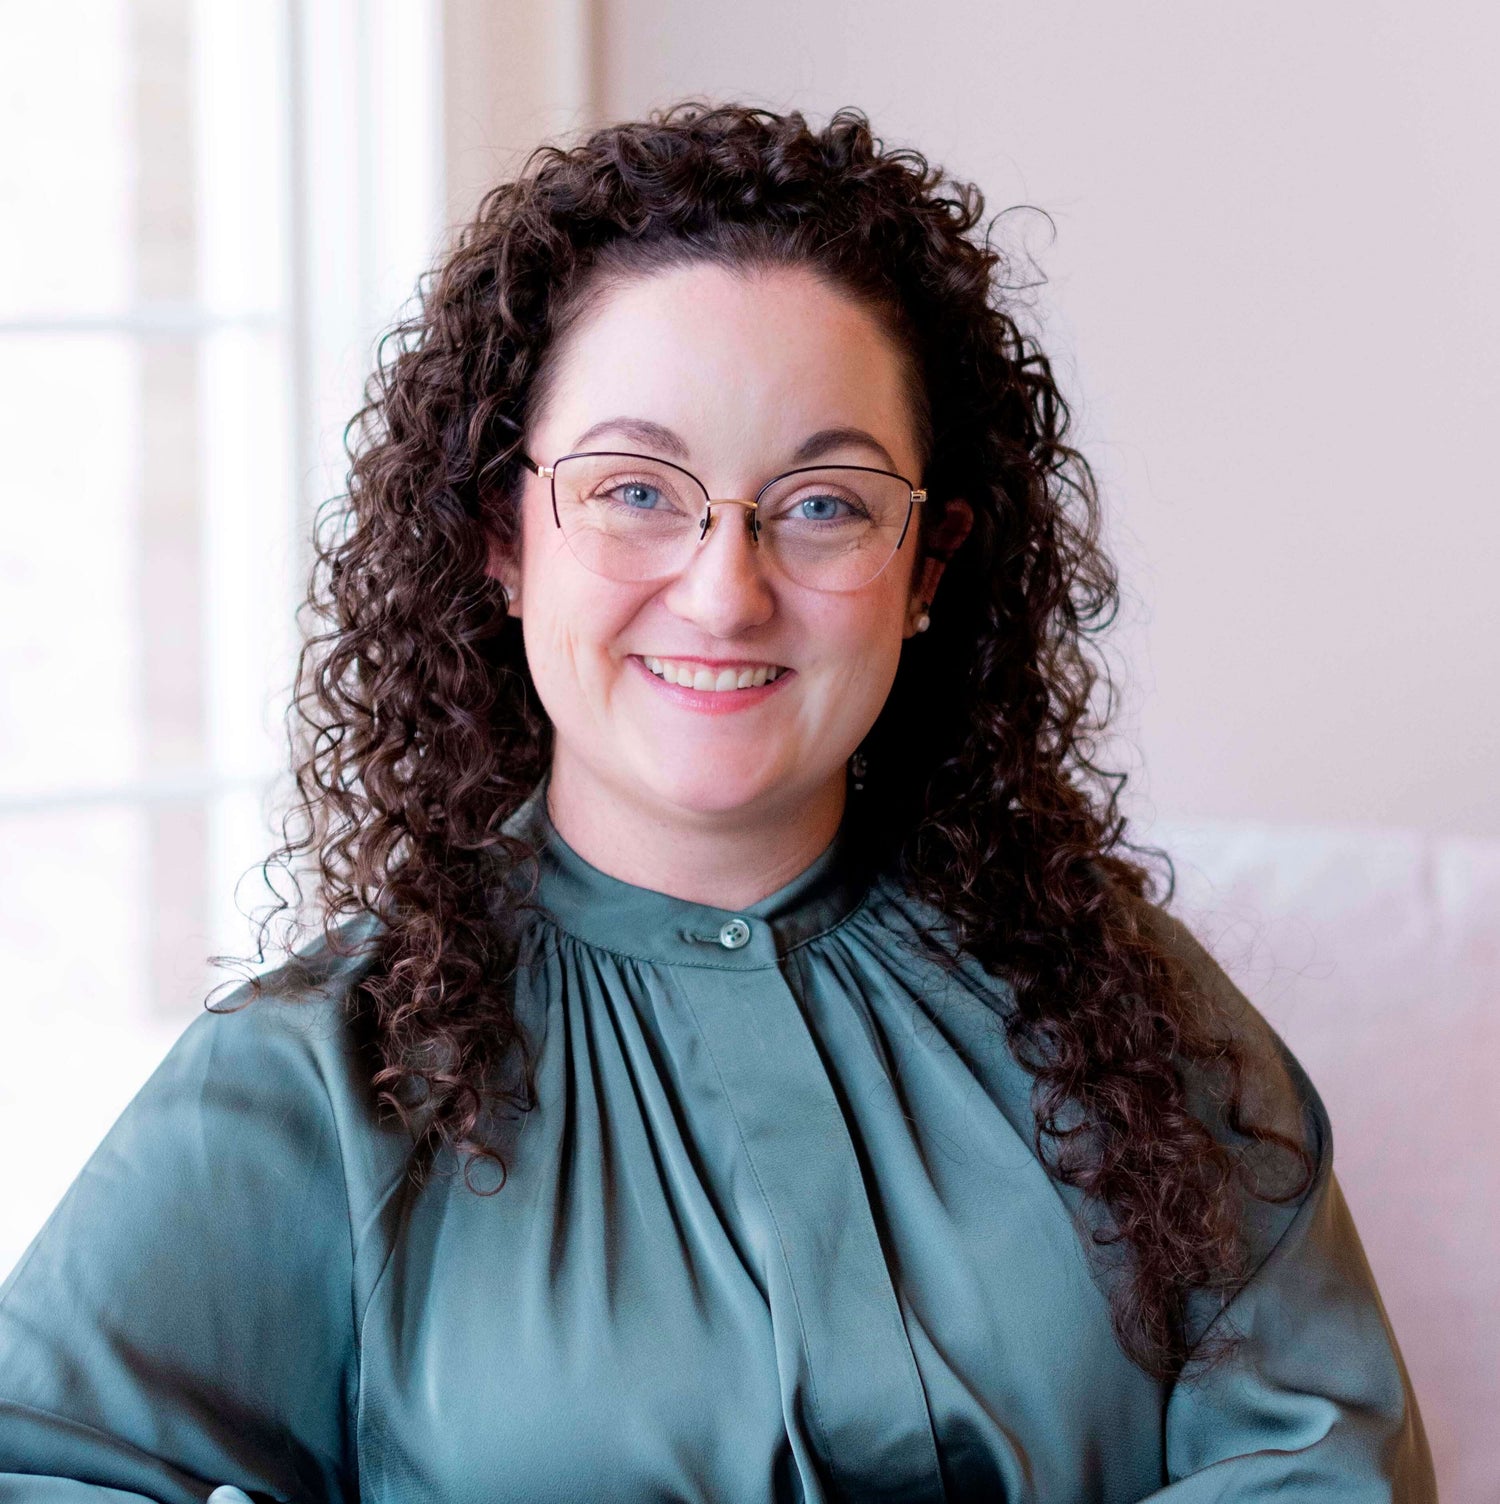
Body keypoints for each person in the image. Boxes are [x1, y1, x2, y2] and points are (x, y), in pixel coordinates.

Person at [0, 102, 1435, 1502]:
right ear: (505, 533)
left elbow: (1325, 1460)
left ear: (927, 569)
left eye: (823, 504)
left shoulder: (1114, 1004)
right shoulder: (325, 1081)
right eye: (635, 490)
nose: (724, 590)